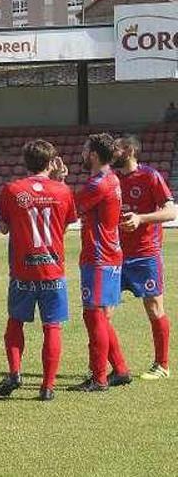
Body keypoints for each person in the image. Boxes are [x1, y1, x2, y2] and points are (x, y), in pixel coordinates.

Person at [0, 141, 76, 401]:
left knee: (15, 322)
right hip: (52, 269)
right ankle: (47, 387)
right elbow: (63, 228)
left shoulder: (12, 189)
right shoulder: (63, 191)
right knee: (51, 327)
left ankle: (15, 373)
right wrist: (60, 181)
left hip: (22, 271)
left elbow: (4, 229)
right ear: (51, 162)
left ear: (25, 161)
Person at [114, 134, 177, 380]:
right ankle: (115, 368)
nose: (112, 152)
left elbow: (170, 211)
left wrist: (141, 218)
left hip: (145, 255)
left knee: (153, 307)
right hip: (115, 255)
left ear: (129, 150)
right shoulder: (112, 179)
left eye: (117, 148)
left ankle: (162, 365)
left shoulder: (150, 176)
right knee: (103, 311)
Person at [69, 133, 128, 392]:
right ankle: (121, 369)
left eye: (84, 149)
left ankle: (99, 378)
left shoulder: (99, 184)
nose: (82, 154)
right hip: (110, 253)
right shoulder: (111, 179)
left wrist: (56, 183)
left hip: (98, 256)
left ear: (93, 154)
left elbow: (70, 208)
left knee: (93, 315)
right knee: (101, 316)